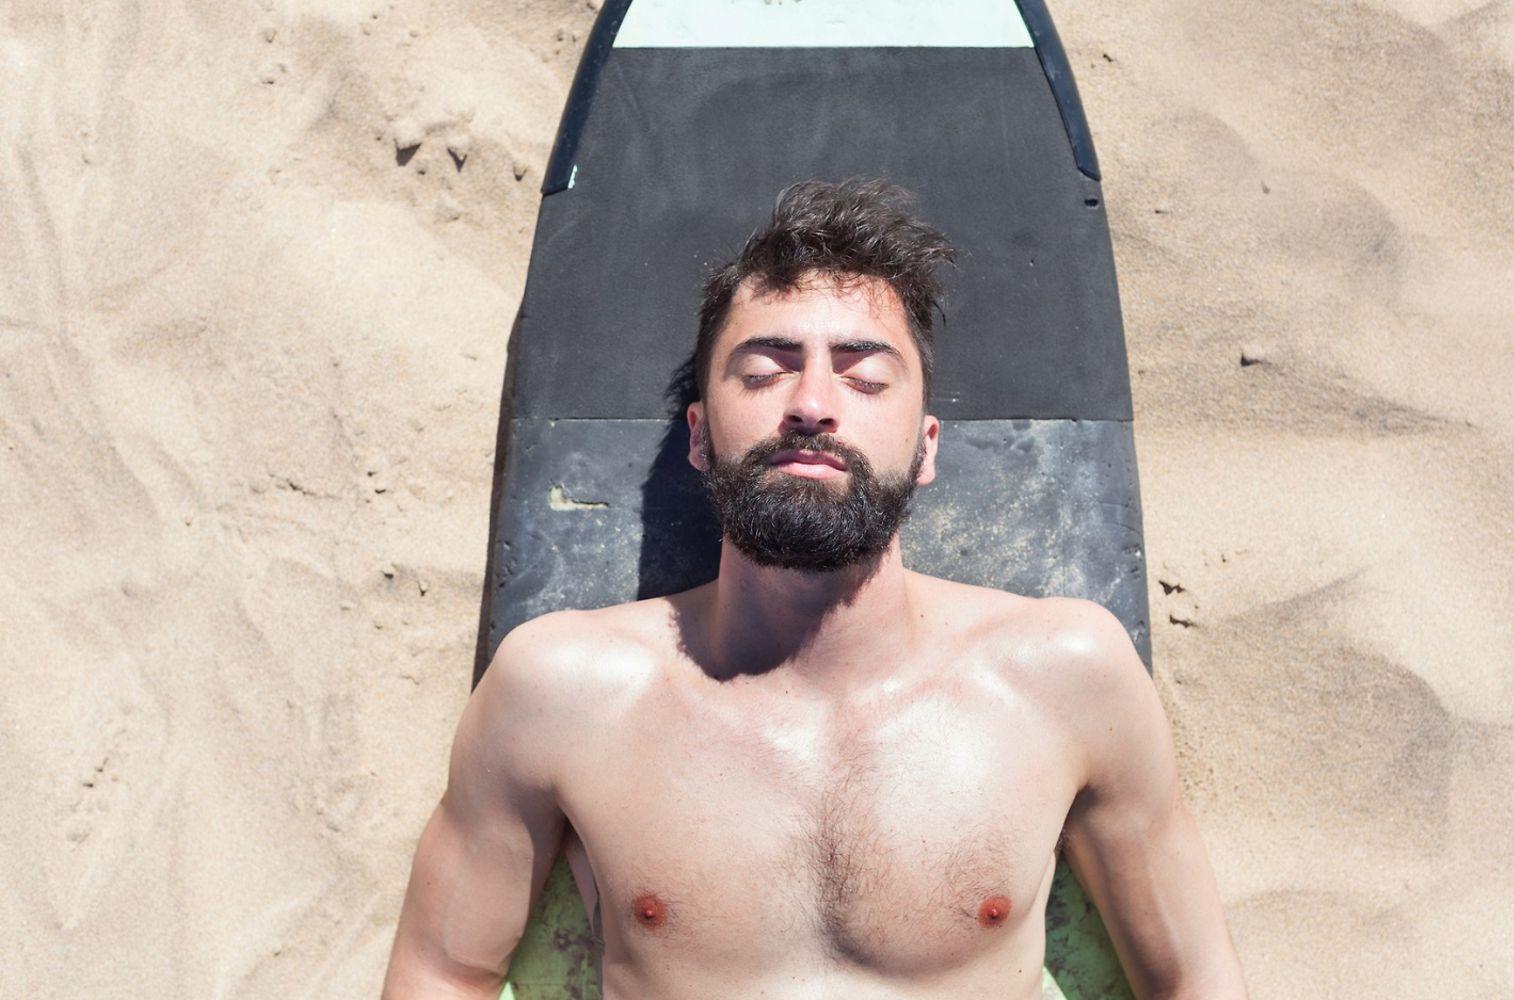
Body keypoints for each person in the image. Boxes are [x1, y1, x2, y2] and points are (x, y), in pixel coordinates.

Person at [382, 179, 1247, 999]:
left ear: (928, 446)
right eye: (763, 371)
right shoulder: (562, 689)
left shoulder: (1063, 677)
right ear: (697, 436)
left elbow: (1192, 978)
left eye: (865, 377)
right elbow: (441, 971)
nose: (813, 404)